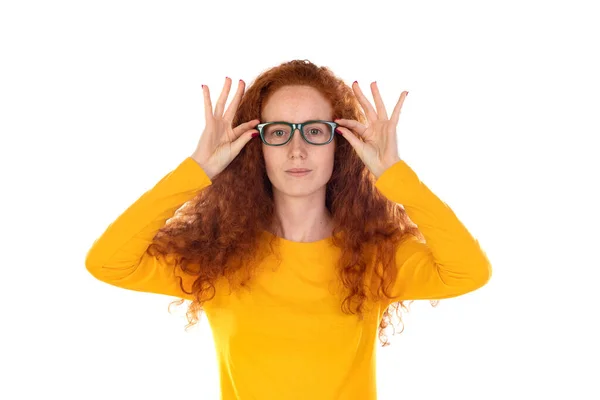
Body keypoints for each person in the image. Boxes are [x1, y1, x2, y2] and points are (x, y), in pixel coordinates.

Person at [85, 59, 491, 400]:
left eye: (315, 131)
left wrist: (395, 176)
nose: (297, 150)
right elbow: (108, 263)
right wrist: (197, 169)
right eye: (278, 132)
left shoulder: (375, 256)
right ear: (255, 146)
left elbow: (469, 272)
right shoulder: (216, 256)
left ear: (340, 142)